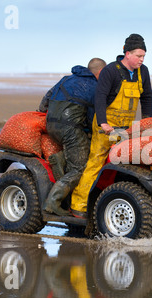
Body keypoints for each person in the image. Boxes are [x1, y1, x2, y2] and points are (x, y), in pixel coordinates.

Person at [70, 34, 152, 215]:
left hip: (126, 127)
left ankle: (113, 201)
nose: (142, 59)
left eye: (143, 56)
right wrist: (103, 123)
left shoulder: (143, 72)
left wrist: (147, 120)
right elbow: (99, 97)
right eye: (139, 56)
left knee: (125, 164)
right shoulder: (110, 71)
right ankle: (79, 205)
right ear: (127, 53)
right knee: (96, 162)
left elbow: (147, 97)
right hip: (105, 126)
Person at [39, 58, 106, 217]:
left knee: (76, 154)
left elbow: (45, 102)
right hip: (70, 129)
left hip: (51, 126)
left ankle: (60, 160)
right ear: (101, 72)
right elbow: (92, 118)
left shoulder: (66, 79)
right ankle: (53, 203)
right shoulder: (95, 87)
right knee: (80, 167)